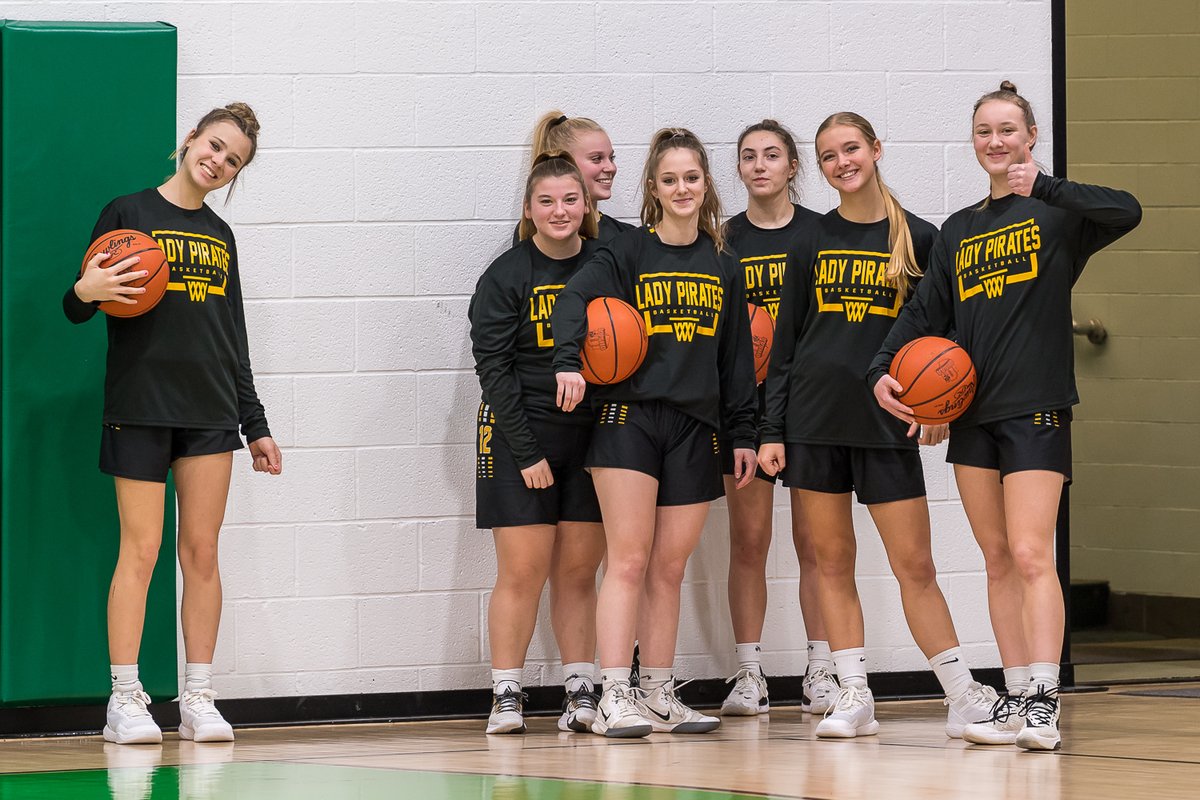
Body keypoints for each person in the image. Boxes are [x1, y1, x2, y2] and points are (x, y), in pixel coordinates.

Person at [869, 82, 1141, 751]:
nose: (996, 141)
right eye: (985, 131)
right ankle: (1016, 695)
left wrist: (1045, 185)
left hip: (1036, 407)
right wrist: (880, 368)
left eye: (1008, 130)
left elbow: (1127, 211)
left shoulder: (1057, 214)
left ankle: (1046, 698)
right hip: (974, 418)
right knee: (995, 559)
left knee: (1029, 553)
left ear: (1030, 136)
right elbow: (921, 315)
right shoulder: (959, 230)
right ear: (974, 141)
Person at [759, 112, 998, 740]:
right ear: (821, 167)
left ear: (876, 150)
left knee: (914, 564)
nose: (843, 162)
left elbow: (946, 337)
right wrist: (772, 429)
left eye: (852, 148)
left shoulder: (919, 237)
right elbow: (785, 346)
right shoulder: (809, 238)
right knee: (832, 561)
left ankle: (961, 694)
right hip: (814, 421)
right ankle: (853, 693)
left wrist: (939, 412)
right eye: (830, 154)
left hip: (886, 424)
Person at [64, 103, 282, 745]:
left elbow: (233, 337)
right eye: (213, 146)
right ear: (189, 140)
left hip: (211, 412)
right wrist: (86, 289)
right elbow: (75, 306)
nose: (217, 161)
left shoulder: (221, 236)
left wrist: (256, 422)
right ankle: (125, 699)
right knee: (141, 550)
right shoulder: (128, 213)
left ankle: (198, 697)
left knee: (203, 554)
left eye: (232, 160)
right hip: (139, 406)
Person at [552, 128, 758, 737]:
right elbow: (572, 303)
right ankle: (614, 691)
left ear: (705, 184)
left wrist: (743, 432)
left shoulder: (724, 264)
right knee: (630, 559)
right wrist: (568, 360)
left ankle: (658, 692)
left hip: (695, 426)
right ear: (653, 189)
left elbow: (737, 360)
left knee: (669, 566)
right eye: (669, 179)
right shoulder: (626, 254)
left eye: (691, 177)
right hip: (629, 419)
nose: (682, 188)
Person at [469, 152, 607, 735]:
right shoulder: (505, 276)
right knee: (521, 572)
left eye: (570, 199)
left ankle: (579, 690)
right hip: (517, 434)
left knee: (579, 573)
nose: (560, 211)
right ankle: (506, 692)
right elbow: (494, 371)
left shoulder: (607, 266)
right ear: (529, 210)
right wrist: (526, 453)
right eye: (546, 201)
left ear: (586, 205)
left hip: (593, 438)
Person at [717, 120, 837, 717]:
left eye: (772, 155)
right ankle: (749, 673)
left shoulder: (821, 234)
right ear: (737, 169)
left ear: (794, 167)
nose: (759, 165)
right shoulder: (721, 240)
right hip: (746, 408)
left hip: (808, 406)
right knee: (750, 540)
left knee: (816, 543)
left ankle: (822, 669)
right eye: (748, 156)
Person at [514, 111, 633, 244]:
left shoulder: (626, 235)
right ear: (567, 164)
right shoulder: (537, 229)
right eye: (597, 159)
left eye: (611, 158)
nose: (611, 167)